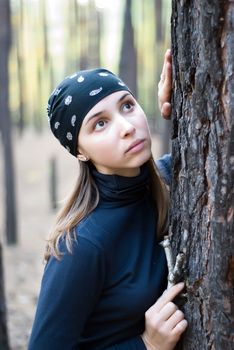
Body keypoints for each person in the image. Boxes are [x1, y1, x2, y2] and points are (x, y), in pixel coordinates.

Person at [28, 49, 187, 350]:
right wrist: (145, 346)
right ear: (80, 151)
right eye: (100, 123)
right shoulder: (81, 246)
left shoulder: (172, 179)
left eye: (127, 106)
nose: (127, 127)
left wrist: (180, 107)